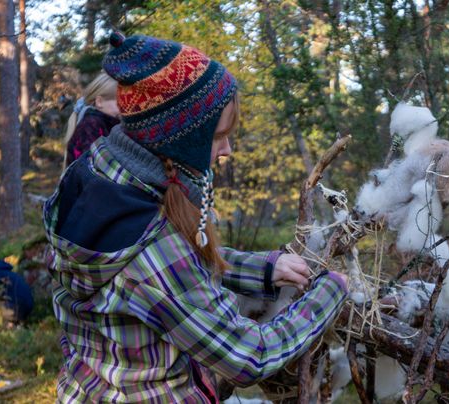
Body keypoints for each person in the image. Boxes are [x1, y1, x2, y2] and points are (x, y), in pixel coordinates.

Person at [44, 32, 349, 402]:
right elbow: (249, 355)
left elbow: (170, 275)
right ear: (177, 141)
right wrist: (330, 291)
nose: (227, 151)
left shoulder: (96, 174)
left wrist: (261, 269)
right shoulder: (150, 242)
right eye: (218, 137)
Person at [63, 72, 120, 168]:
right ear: (99, 102)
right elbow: (96, 168)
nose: (125, 106)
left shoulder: (105, 123)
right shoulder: (91, 125)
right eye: (119, 101)